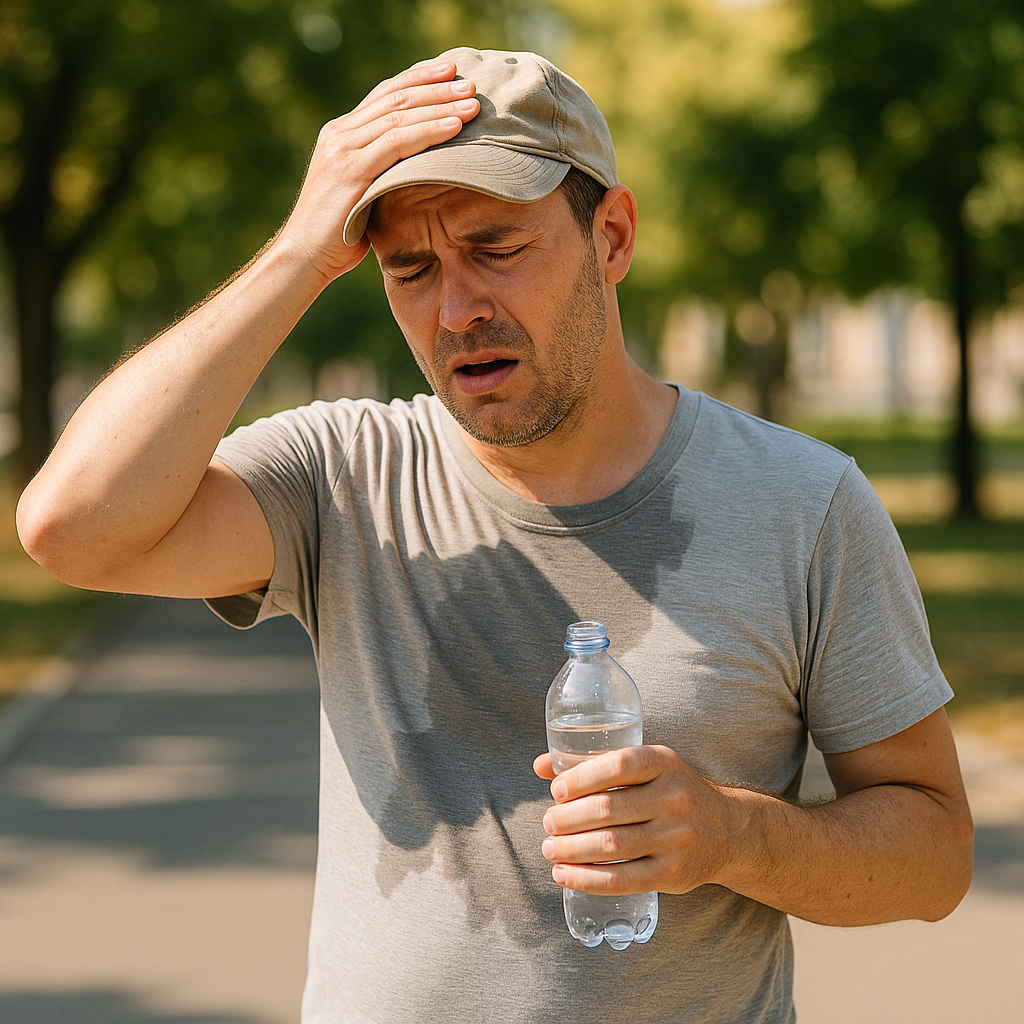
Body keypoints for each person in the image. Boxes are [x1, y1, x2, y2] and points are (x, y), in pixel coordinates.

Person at [17, 46, 973, 1024]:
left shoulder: (802, 504)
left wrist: (732, 836)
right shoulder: (345, 472)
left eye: (497, 248)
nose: (457, 309)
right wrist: (300, 247)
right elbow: (72, 529)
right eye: (411, 269)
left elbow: (932, 856)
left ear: (611, 236)